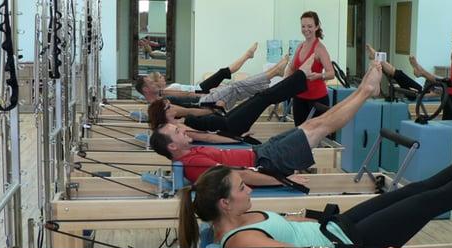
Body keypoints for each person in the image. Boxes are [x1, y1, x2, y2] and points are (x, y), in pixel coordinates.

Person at [176, 109, 452, 248]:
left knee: (420, 188)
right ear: (224, 203)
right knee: (434, 201)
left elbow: (289, 224)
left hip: (339, 227)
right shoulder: (242, 244)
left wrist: (313, 215)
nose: (247, 187)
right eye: (241, 187)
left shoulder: (233, 219)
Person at [150, 59, 380, 184]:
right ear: (172, 146)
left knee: (314, 124)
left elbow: (210, 139)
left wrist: (239, 139)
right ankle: (365, 91)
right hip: (268, 161)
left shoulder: (189, 153)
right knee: (320, 126)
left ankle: (363, 90)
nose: (182, 131)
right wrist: (282, 180)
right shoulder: (193, 164)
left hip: (260, 151)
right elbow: (239, 176)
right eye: (177, 133)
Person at [137, 54, 289, 119]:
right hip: (205, 107)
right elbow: (187, 111)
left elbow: (190, 95)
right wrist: (212, 109)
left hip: (205, 100)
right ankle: (273, 73)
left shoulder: (163, 95)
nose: (156, 83)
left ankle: (273, 74)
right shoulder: (158, 105)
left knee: (236, 88)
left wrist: (207, 95)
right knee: (234, 87)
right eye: (151, 83)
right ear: (146, 90)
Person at [135, 42, 260, 103]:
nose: (163, 78)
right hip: (201, 90)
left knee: (224, 75)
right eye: (160, 77)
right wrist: (206, 94)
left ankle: (247, 56)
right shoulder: (169, 90)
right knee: (223, 73)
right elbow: (189, 94)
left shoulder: (168, 90)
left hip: (200, 88)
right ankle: (247, 56)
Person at [285, 11, 335, 126]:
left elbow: (331, 73)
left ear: (317, 27)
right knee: (299, 134)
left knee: (316, 138)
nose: (306, 29)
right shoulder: (300, 46)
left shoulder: (320, 48)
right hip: (299, 97)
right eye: (303, 26)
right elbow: (292, 68)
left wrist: (319, 76)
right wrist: (284, 83)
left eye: (310, 26)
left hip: (317, 100)